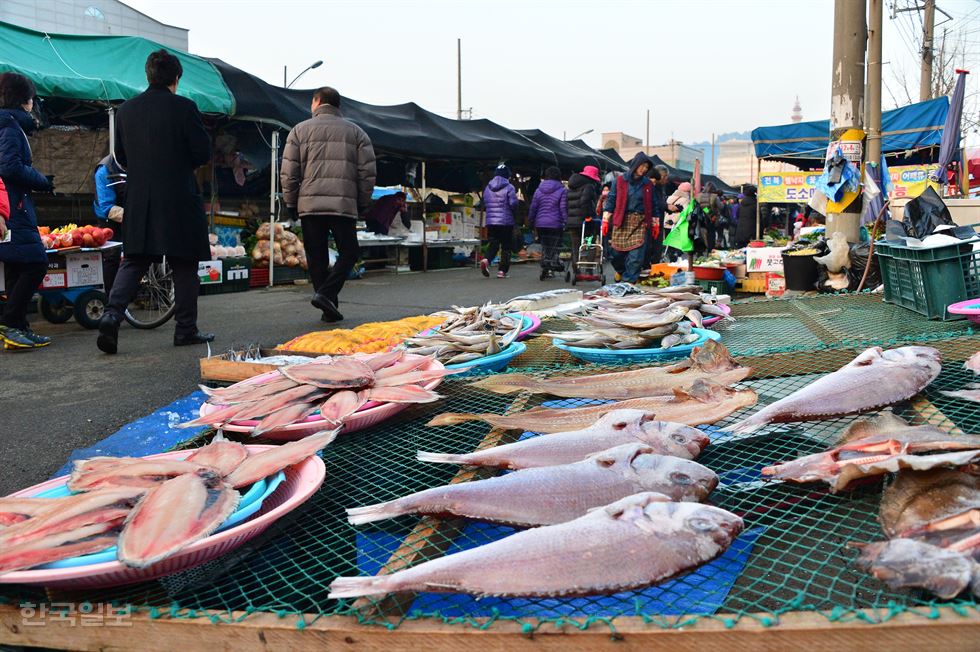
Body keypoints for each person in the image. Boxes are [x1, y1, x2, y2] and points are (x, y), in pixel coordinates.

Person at [97, 50, 213, 354]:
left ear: (148, 76)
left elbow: (120, 157)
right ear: (176, 79)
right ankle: (185, 330)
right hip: (178, 196)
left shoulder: (126, 111)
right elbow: (202, 153)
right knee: (185, 263)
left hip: (139, 196)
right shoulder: (186, 108)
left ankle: (111, 315)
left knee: (134, 260)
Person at [281, 86, 376, 322]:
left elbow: (289, 172)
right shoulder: (357, 133)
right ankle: (328, 301)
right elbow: (367, 173)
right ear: (337, 105)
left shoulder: (298, 131)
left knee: (317, 257)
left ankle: (325, 297)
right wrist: (362, 202)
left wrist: (290, 202)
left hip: (310, 205)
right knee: (350, 252)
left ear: (317, 101)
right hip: (343, 205)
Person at [0, 72, 53, 350]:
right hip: (13, 206)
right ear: (25, 101)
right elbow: (9, 167)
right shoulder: (10, 127)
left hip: (10, 205)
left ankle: (18, 329)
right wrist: (41, 180)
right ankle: (10, 323)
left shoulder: (7, 124)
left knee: (16, 266)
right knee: (36, 263)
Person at [602, 152, 656, 283]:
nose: (644, 169)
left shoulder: (647, 184)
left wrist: (655, 222)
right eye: (642, 166)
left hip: (640, 222)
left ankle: (628, 283)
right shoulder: (619, 181)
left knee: (636, 257)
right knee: (616, 254)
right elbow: (612, 199)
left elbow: (653, 204)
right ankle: (621, 272)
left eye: (646, 167)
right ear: (635, 165)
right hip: (622, 220)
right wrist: (605, 219)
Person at [92, 154, 125, 293]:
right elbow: (107, 207)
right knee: (113, 255)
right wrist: (136, 218)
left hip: (129, 210)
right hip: (108, 216)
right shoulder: (104, 170)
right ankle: (111, 299)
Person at [527, 166, 567, 281]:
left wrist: (531, 221)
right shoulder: (562, 190)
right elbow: (563, 208)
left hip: (541, 224)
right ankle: (553, 263)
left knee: (545, 245)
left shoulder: (538, 190)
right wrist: (566, 221)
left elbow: (533, 207)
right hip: (556, 224)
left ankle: (546, 265)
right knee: (555, 245)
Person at [479, 164, 518, 279]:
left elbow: (485, 203)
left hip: (491, 221)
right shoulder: (509, 187)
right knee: (506, 246)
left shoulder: (488, 187)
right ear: (507, 175)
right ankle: (502, 271)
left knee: (494, 243)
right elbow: (513, 204)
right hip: (506, 222)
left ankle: (486, 259)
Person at [565, 165, 600, 275]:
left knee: (576, 245)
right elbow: (585, 202)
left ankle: (576, 269)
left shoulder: (571, 186)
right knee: (590, 243)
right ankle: (589, 268)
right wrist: (588, 216)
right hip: (586, 222)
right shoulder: (588, 186)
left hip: (573, 223)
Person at [646, 164, 671, 265]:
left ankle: (653, 270)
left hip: (659, 221)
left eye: (666, 177)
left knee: (657, 249)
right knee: (652, 249)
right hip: (651, 222)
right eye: (664, 176)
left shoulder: (660, 187)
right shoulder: (651, 186)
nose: (666, 179)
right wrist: (667, 206)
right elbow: (655, 203)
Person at [695, 182, 724, 251]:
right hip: (712, 218)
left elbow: (697, 206)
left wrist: (705, 210)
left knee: (702, 234)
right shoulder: (714, 197)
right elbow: (721, 207)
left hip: (701, 218)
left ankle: (701, 250)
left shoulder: (698, 196)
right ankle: (710, 249)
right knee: (711, 234)